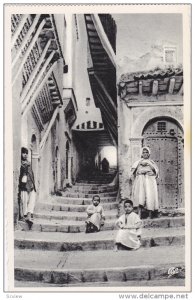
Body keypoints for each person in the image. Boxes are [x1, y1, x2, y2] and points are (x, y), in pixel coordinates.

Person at [130, 146, 159, 219]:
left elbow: (156, 172)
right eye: (143, 152)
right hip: (140, 181)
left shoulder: (151, 162)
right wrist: (139, 172)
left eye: (147, 152)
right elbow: (132, 172)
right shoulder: (138, 162)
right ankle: (139, 215)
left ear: (149, 154)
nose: (145, 154)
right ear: (141, 154)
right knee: (140, 197)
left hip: (149, 182)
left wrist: (149, 166)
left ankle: (150, 215)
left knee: (149, 196)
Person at [18, 147, 36, 228]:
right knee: (24, 200)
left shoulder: (28, 164)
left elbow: (32, 175)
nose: (25, 155)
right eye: (23, 153)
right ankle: (24, 216)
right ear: (21, 154)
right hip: (24, 186)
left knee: (31, 200)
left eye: (26, 153)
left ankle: (29, 215)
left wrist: (34, 185)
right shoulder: (21, 164)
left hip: (31, 185)